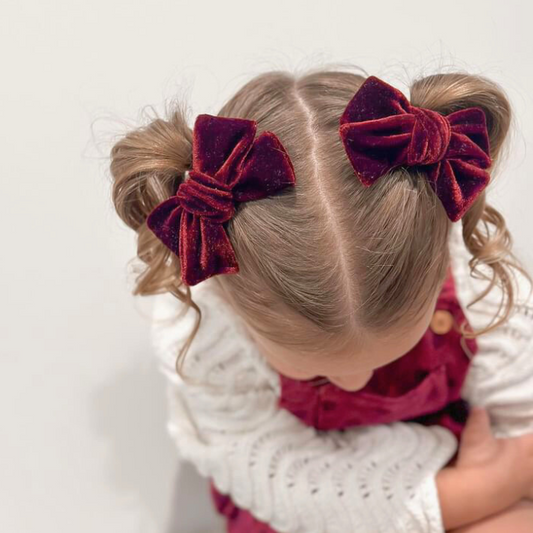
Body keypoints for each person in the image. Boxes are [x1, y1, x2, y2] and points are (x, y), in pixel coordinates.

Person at [109, 68, 533, 532]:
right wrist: (490, 486)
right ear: (234, 307)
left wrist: (504, 475)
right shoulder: (211, 332)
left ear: (437, 277)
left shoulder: (469, 275)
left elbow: (522, 417)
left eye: (395, 350)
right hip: (305, 501)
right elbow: (290, 488)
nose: (354, 383)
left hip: (451, 461)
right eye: (318, 371)